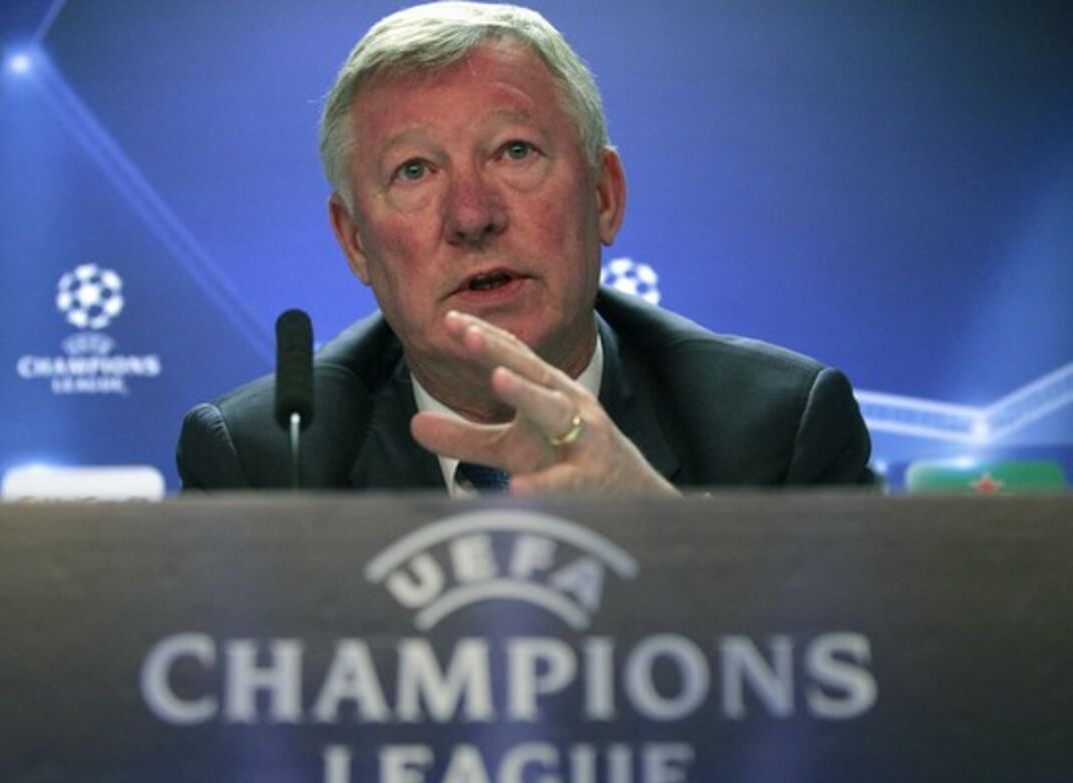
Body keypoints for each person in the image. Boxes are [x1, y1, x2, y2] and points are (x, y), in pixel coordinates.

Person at [177, 1, 875, 494]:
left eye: (514, 151)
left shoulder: (776, 432)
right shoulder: (266, 462)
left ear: (603, 195)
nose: (472, 216)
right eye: (415, 170)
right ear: (356, 241)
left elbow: (858, 658)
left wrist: (663, 539)